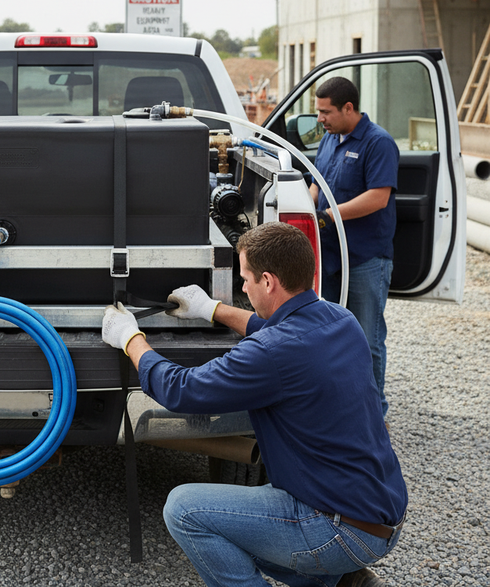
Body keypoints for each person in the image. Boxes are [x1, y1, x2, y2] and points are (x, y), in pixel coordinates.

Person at [102, 222, 407, 587]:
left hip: (338, 528)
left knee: (186, 510)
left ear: (268, 281)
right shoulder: (340, 320)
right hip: (380, 517)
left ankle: (336, 567)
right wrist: (212, 309)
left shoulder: (271, 354)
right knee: (236, 520)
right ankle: (344, 583)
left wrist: (130, 338)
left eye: (245, 279)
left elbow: (182, 390)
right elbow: (271, 328)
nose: (242, 288)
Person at [311, 76, 399, 418]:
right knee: (330, 337)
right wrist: (307, 208)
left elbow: (378, 197)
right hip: (331, 259)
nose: (320, 119)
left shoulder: (379, 143)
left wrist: (328, 216)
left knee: (366, 341)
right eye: (318, 112)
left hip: (364, 260)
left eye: (325, 111)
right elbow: (316, 183)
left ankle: (373, 417)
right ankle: (338, 409)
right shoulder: (330, 140)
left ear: (349, 108)